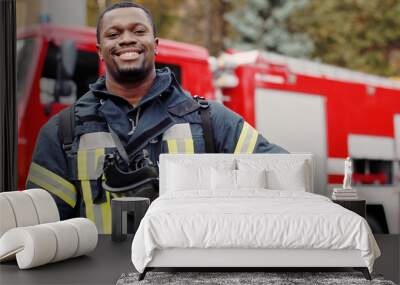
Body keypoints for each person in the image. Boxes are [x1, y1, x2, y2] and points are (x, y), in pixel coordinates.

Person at [26, 1, 287, 234]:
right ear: (100, 50)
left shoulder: (211, 122)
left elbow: (283, 174)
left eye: (138, 31)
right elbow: (41, 229)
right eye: (114, 34)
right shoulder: (63, 131)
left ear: (156, 44)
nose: (127, 39)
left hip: (185, 272)